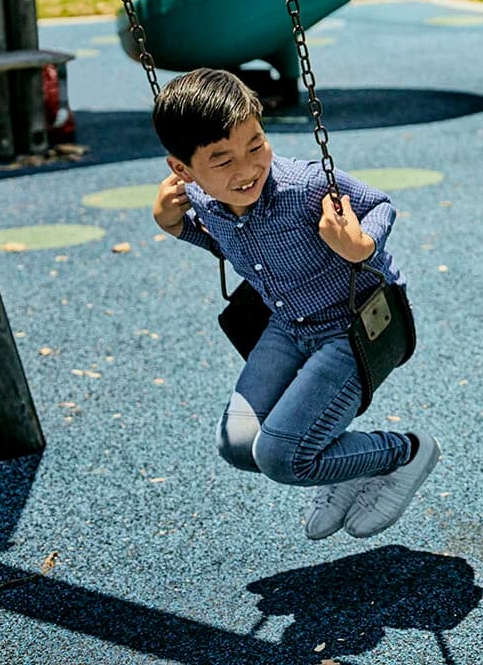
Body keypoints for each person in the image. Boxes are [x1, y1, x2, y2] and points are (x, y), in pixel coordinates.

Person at [150, 68, 441, 540]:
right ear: (183, 170)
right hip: (287, 326)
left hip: (352, 327)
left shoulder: (303, 186)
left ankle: (404, 453)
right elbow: (227, 244)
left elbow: (380, 205)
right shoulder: (199, 198)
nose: (246, 169)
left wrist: (360, 245)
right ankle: (348, 471)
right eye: (221, 160)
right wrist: (173, 225)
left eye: (256, 145)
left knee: (283, 457)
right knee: (239, 445)